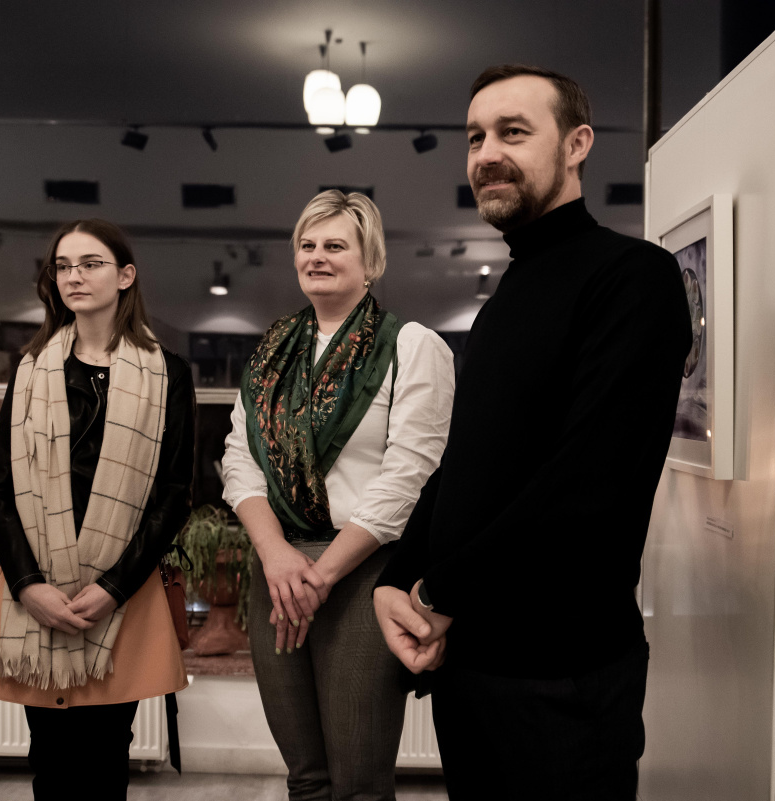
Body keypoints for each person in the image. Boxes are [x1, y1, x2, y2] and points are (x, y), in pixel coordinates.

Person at [372, 65, 692, 800]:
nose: (487, 153)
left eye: (513, 132)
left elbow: (590, 483)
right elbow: (466, 464)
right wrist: (397, 577)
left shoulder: (633, 276)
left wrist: (434, 591)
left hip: (562, 678)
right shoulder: (507, 295)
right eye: (475, 137)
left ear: (577, 144)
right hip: (471, 663)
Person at [222, 190, 455, 801]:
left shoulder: (413, 346)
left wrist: (321, 575)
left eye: (334, 246)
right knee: (305, 778)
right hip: (277, 570)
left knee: (359, 783)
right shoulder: (271, 352)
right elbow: (240, 458)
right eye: (307, 245)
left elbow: (410, 476)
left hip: (364, 572)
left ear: (370, 262)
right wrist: (275, 554)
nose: (317, 257)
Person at [0, 219, 195, 800]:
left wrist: (114, 587)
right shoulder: (30, 369)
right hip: (37, 591)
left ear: (125, 276)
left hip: (122, 594)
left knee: (104, 760)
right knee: (50, 763)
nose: (74, 276)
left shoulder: (168, 373)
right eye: (63, 266)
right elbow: (0, 490)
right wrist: (28, 585)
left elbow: (173, 494)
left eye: (90, 263)